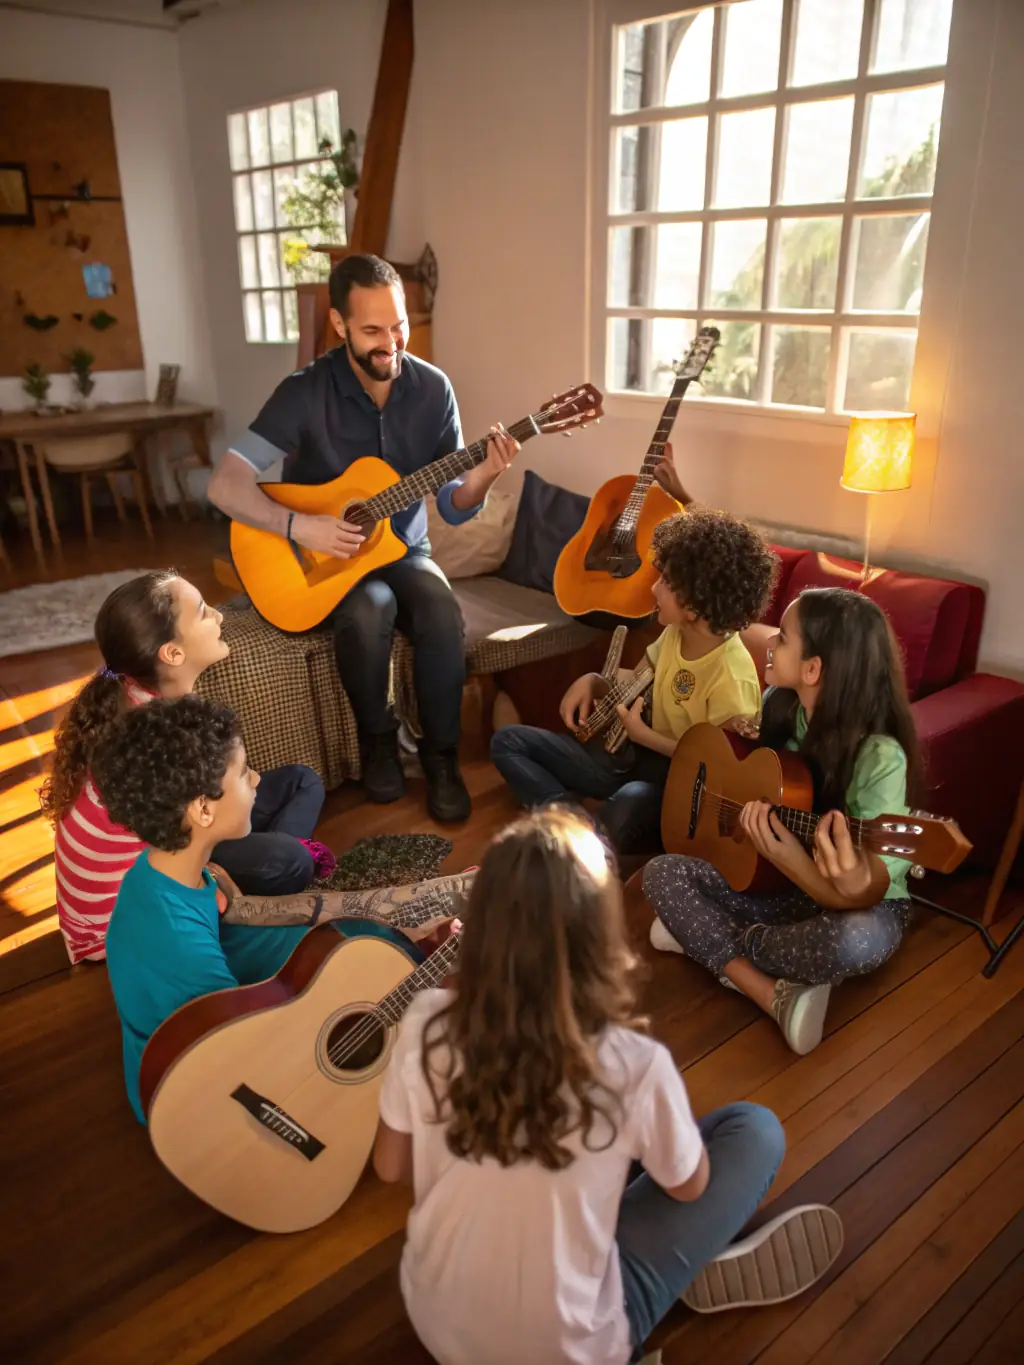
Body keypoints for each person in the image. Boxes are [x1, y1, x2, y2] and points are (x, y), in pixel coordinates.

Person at [372, 807, 841, 1365]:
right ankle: (657, 1293)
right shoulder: (633, 1064)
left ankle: (645, 1252)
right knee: (755, 1131)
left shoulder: (427, 1019)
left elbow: (389, 1166)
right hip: (569, 1347)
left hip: (437, 1319)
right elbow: (689, 1187)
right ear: (598, 936)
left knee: (607, 1166)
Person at [207, 252, 521, 823]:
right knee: (368, 610)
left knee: (441, 611)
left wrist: (486, 474)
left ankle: (441, 757)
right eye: (373, 330)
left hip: (405, 550)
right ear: (339, 325)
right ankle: (378, 740)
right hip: (324, 559)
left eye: (398, 326)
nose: (390, 343)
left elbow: (451, 505)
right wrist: (301, 526)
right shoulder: (303, 391)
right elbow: (226, 485)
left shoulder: (433, 390)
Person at [93, 696, 451, 1124]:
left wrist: (400, 912)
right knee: (423, 1022)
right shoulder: (178, 946)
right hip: (208, 1088)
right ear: (203, 809)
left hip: (219, 1019)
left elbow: (251, 913)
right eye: (245, 773)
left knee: (369, 937)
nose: (258, 780)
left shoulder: (169, 868)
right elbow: (246, 1064)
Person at [644, 587, 920, 1056]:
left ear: (813, 669)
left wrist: (792, 859)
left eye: (784, 637)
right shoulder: (780, 706)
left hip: (858, 905)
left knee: (855, 942)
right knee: (661, 873)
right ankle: (772, 991)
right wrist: (740, 747)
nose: (770, 639)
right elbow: (767, 778)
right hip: (781, 884)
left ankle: (717, 949)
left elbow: (869, 885)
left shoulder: (881, 758)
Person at [40, 570, 333, 965]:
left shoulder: (133, 690)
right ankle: (273, 875)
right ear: (172, 654)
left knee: (302, 781)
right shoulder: (154, 735)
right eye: (202, 612)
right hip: (125, 915)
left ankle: (272, 866)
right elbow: (184, 837)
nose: (220, 616)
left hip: (165, 843)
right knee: (293, 861)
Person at [490, 508, 777, 854]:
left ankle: (572, 829)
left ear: (697, 604)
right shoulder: (673, 633)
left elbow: (717, 768)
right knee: (508, 742)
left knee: (629, 802)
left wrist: (646, 736)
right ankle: (576, 825)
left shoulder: (733, 675)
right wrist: (594, 681)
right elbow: (636, 682)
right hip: (629, 757)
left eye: (666, 582)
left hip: (674, 787)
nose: (654, 587)